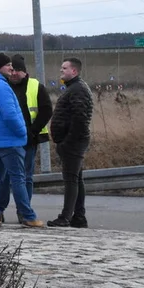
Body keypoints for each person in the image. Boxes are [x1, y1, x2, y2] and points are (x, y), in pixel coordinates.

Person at [0, 53, 44, 227]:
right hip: (10, 140)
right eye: (8, 65)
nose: (11, 68)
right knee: (18, 178)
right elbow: (9, 115)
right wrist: (22, 131)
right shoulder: (1, 87)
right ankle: (28, 216)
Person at [0, 54, 54, 222]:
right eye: (12, 70)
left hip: (29, 139)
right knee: (5, 177)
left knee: (25, 177)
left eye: (18, 70)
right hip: (8, 140)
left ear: (25, 72)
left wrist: (32, 131)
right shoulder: (3, 86)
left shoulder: (36, 86)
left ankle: (24, 211)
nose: (14, 74)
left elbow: (46, 111)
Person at [47, 57, 93, 228]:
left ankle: (65, 217)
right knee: (77, 178)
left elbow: (80, 119)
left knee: (71, 179)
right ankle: (79, 217)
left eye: (64, 68)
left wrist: (67, 141)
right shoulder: (74, 88)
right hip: (73, 141)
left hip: (73, 142)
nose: (61, 71)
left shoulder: (78, 89)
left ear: (74, 71)